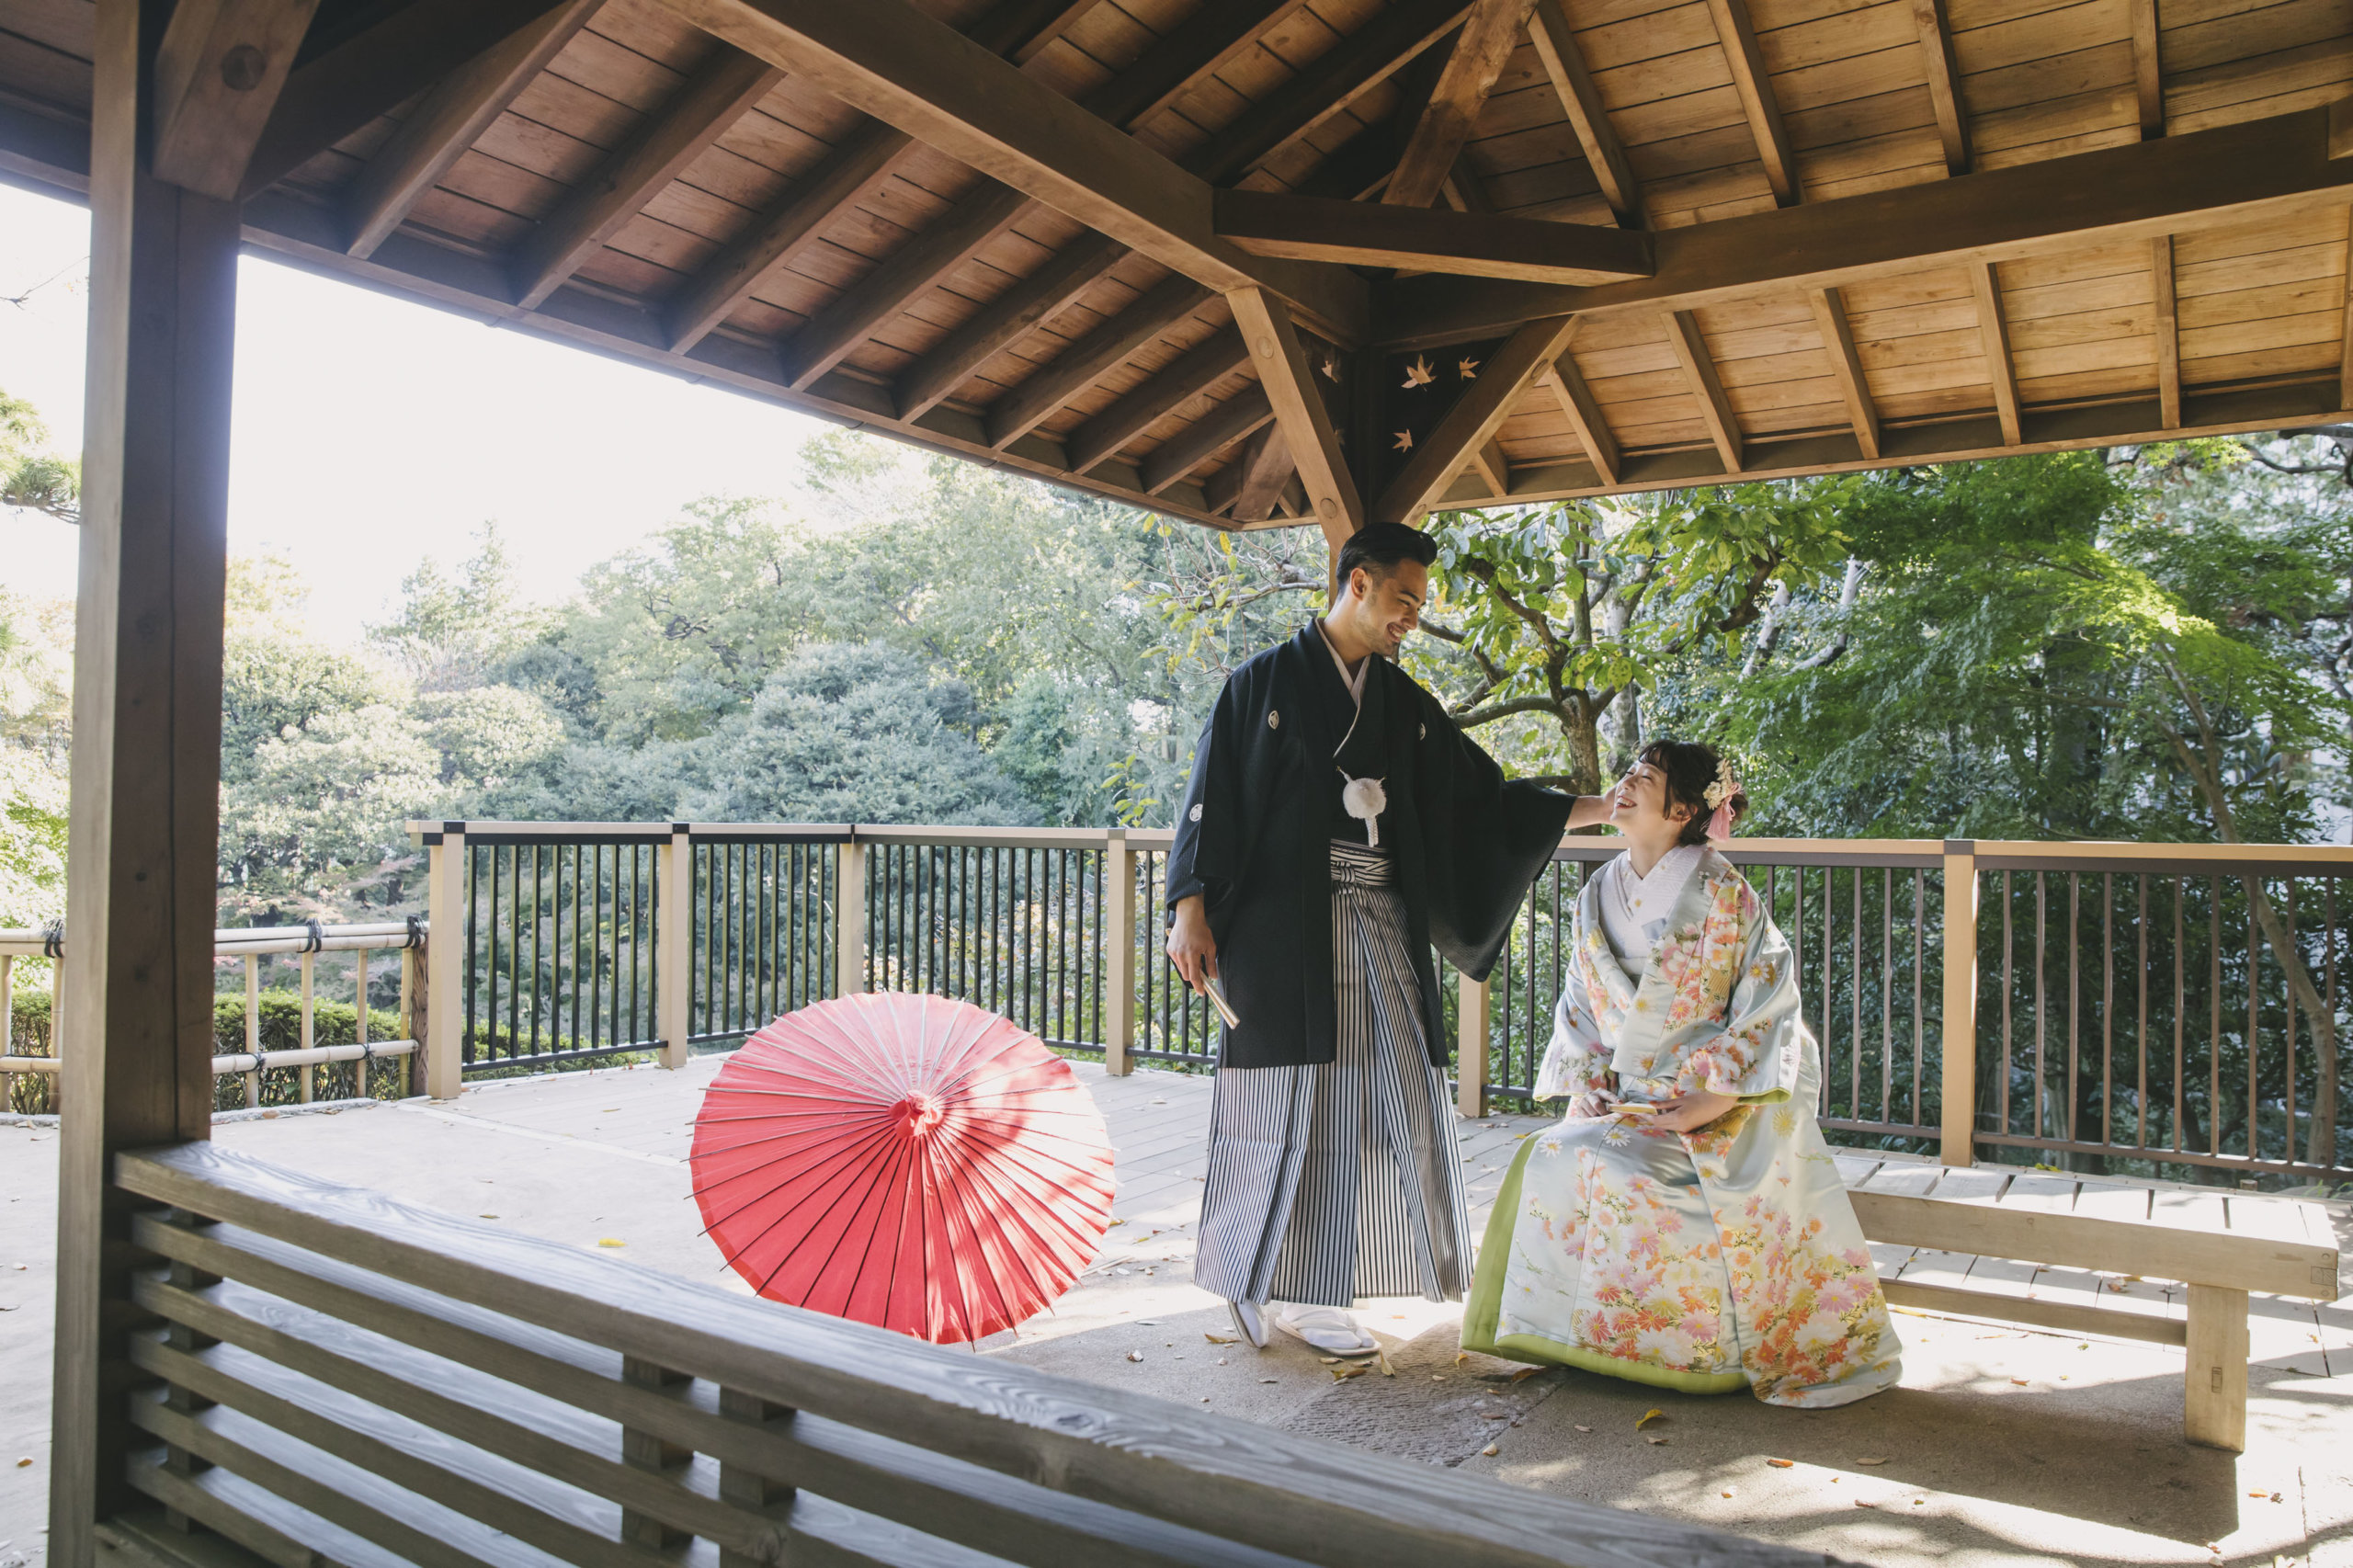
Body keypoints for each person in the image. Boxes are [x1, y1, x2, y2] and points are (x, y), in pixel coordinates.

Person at [1163, 521, 1608, 1356]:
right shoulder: (1261, 682)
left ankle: (1315, 1290)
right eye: (1404, 599)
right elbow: (1209, 798)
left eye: (1419, 605)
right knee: (1277, 1103)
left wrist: (1604, 808)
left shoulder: (1403, 705)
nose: (1412, 618)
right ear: (1358, 583)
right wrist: (1189, 908)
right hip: (1278, 932)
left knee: (1372, 1101)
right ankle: (1251, 1275)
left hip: (1379, 925)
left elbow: (1483, 802)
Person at [1460, 740, 1903, 1406]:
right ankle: (1571, 1338)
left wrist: (1714, 1098)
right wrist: (1590, 1081)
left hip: (1718, 1096)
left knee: (1647, 1177)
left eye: (1647, 776)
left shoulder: (1724, 892)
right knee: (1550, 1153)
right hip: (1630, 1096)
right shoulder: (1598, 890)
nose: (1627, 783)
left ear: (1684, 811)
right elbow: (1581, 1000)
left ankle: (1690, 1355)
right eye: (1629, 771)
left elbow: (1769, 1000)